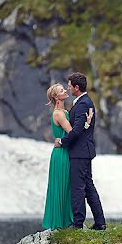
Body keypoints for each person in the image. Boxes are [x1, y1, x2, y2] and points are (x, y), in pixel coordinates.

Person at [54, 72, 106, 230]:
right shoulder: (84, 102)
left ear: (77, 87)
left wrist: (62, 141)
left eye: (69, 85)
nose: (68, 87)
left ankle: (78, 225)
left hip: (79, 153)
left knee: (78, 188)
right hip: (84, 152)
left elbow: (76, 131)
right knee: (88, 187)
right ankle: (100, 223)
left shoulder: (83, 104)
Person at [42, 83, 90, 230]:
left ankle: (65, 220)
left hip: (63, 150)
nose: (65, 91)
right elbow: (72, 133)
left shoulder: (64, 111)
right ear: (57, 97)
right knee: (62, 186)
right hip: (62, 153)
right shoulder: (59, 114)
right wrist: (86, 124)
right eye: (62, 90)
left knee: (66, 186)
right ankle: (60, 222)